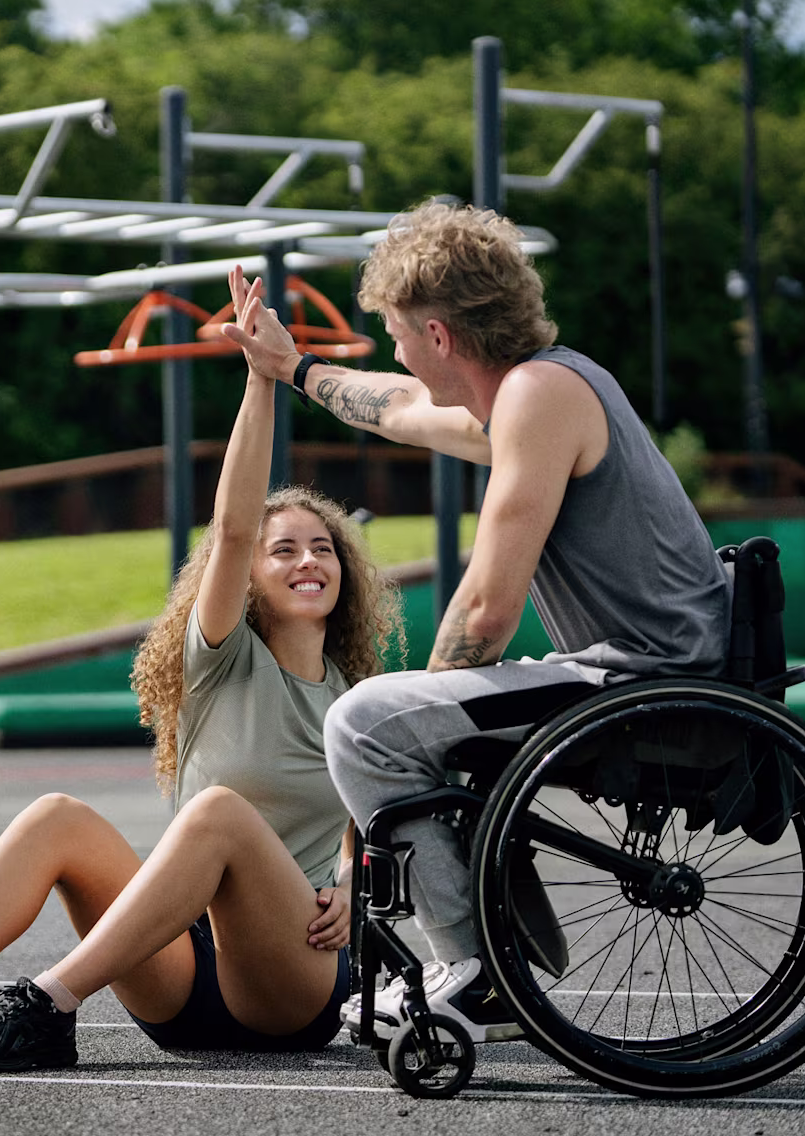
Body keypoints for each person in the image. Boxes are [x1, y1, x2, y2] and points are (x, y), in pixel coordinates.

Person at [0, 284, 402, 1073]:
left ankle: (48, 1002)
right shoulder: (222, 656)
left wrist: (347, 895)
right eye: (284, 549)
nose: (308, 561)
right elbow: (230, 527)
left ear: (346, 573)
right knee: (57, 815)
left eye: (323, 548)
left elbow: (383, 833)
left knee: (221, 814)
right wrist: (261, 377)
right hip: (180, 973)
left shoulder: (352, 703)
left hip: (291, 982)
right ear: (250, 579)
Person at [222, 198, 732, 1046]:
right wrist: (294, 365)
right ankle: (488, 950)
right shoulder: (538, 390)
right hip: (644, 667)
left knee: (365, 722)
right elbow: (392, 405)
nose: (395, 349)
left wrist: (409, 710)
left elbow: (488, 607)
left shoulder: (539, 395)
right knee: (399, 722)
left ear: (439, 336)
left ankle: (476, 969)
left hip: (647, 678)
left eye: (395, 330)